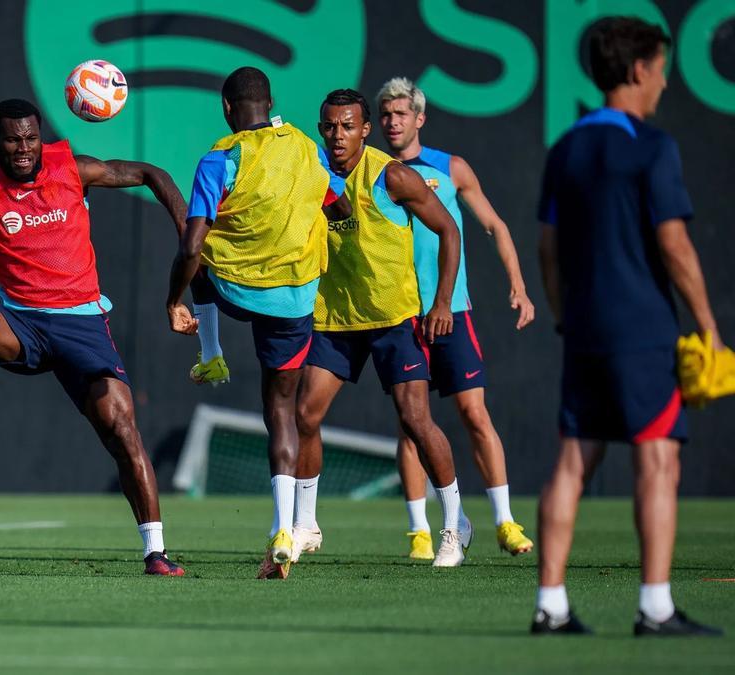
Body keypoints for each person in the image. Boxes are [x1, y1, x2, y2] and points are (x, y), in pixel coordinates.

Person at [0, 98, 187, 577]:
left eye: (31, 138)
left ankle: (156, 552)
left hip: (83, 326)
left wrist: (188, 231)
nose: (24, 148)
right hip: (22, 325)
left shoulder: (75, 170)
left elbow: (154, 175)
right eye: (12, 139)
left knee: (122, 430)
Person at [532, 17, 722, 636]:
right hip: (641, 330)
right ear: (638, 70)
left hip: (584, 328)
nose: (664, 81)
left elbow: (548, 250)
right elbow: (676, 246)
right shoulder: (651, 146)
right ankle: (656, 607)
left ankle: (551, 605)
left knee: (571, 463)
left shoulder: (566, 148)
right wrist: (709, 329)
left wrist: (564, 316)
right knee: (659, 459)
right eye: (662, 68)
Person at [167, 67, 345, 579]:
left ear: (227, 108)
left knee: (197, 253)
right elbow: (338, 204)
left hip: (236, 292)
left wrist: (170, 298)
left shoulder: (219, 158)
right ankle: (282, 527)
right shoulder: (307, 150)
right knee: (282, 412)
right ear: (270, 103)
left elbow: (192, 244)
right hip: (293, 303)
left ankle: (210, 353)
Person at [293, 89, 471, 568]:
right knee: (305, 415)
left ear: (365, 130)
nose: (337, 135)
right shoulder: (312, 176)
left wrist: (441, 303)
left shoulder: (392, 175)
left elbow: (450, 231)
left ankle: (454, 524)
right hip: (335, 318)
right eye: (329, 126)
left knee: (415, 420)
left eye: (347, 126)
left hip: (395, 318)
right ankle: (306, 524)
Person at [376, 76, 535, 560]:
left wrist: (519, 285)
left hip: (454, 311)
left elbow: (494, 225)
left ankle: (505, 522)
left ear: (419, 119)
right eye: (385, 115)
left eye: (401, 114)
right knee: (411, 423)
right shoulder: (372, 171)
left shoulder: (451, 168)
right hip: (402, 313)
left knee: (473, 414)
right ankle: (421, 530)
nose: (392, 122)